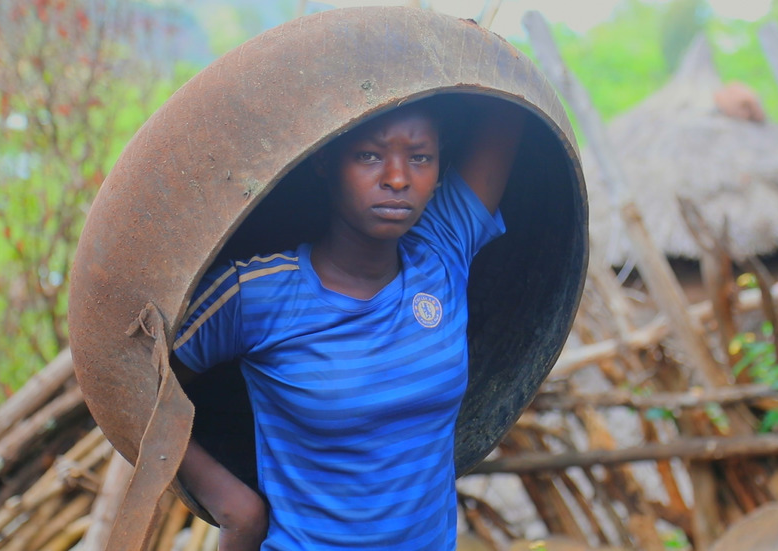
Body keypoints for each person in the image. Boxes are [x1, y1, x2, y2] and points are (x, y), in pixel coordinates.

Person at [171, 95, 526, 550]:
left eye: (420, 158)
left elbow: (508, 104)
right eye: (369, 156)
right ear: (324, 160)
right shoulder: (256, 295)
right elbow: (139, 386)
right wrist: (236, 507)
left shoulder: (441, 253)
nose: (397, 179)